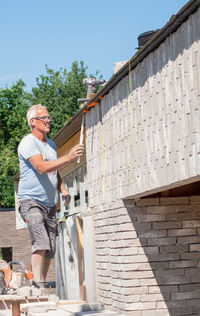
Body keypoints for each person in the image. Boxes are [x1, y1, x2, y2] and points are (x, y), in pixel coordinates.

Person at [17, 104, 84, 289]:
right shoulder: (28, 143)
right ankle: (37, 287)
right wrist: (69, 158)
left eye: (48, 117)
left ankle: (40, 285)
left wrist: (63, 188)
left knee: (50, 250)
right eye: (43, 118)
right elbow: (41, 167)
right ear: (33, 122)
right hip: (30, 201)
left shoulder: (51, 144)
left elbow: (53, 170)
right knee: (41, 242)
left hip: (49, 203)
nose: (48, 121)